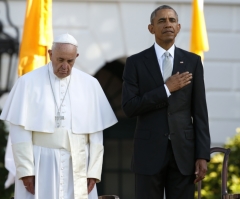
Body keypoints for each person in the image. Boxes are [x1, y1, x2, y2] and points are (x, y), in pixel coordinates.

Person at [0, 33, 118, 199]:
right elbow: (19, 131)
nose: (65, 66)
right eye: (60, 60)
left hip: (78, 162)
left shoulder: (90, 85)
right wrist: (26, 170)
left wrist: (93, 171)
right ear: (50, 54)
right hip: (41, 162)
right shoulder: (27, 82)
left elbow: (96, 134)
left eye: (70, 61)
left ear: (76, 57)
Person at [122, 5, 210, 199]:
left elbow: (200, 112)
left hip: (184, 155)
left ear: (178, 27)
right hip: (148, 154)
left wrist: (202, 155)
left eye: (172, 20)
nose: (167, 24)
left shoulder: (193, 62)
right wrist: (165, 89)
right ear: (151, 28)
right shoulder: (135, 63)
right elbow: (129, 107)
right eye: (161, 20)